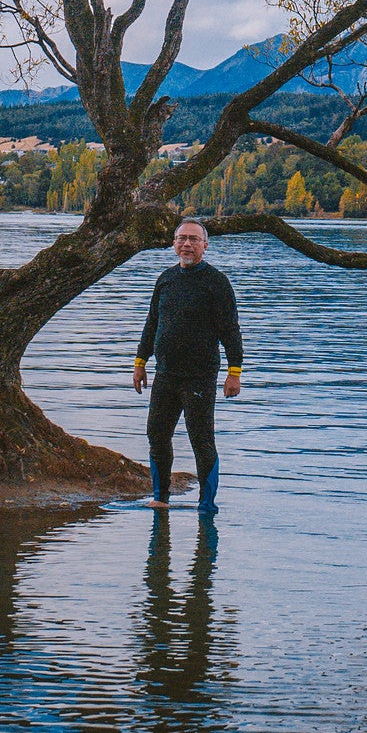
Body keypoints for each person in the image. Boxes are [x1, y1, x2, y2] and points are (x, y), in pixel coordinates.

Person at [133, 219, 243, 516]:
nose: (187, 244)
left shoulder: (216, 283)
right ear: (173, 244)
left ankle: (206, 504)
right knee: (156, 433)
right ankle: (160, 496)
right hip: (165, 373)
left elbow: (230, 330)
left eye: (194, 239)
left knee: (201, 439)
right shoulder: (166, 280)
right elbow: (152, 323)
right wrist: (140, 363)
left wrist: (235, 372)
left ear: (205, 245)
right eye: (181, 238)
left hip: (200, 376)